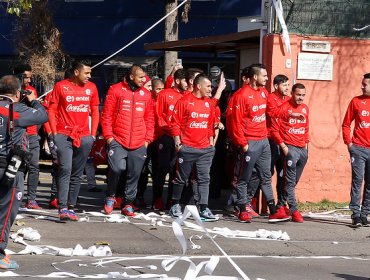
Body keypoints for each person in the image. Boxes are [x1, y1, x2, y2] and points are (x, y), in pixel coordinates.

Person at [226, 63, 290, 223]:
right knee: (243, 178)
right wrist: (243, 143)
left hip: (263, 142)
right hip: (249, 142)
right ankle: (241, 209)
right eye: (265, 76)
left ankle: (273, 210)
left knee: (266, 176)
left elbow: (272, 112)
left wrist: (290, 106)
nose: (267, 78)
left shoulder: (263, 93)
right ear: (255, 77)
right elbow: (235, 121)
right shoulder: (241, 95)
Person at [0, 75, 48, 270]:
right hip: (9, 169)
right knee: (5, 212)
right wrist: (33, 100)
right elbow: (42, 116)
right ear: (18, 93)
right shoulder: (16, 110)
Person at [48, 60, 100, 221]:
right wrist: (55, 133)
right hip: (64, 135)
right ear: (76, 72)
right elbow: (51, 109)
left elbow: (95, 111)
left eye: (90, 73)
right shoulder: (61, 86)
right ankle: (62, 207)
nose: (89, 76)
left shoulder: (91, 88)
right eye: (87, 73)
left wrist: (92, 135)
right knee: (65, 169)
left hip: (84, 137)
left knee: (77, 173)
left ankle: (71, 207)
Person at [101, 65, 154, 217]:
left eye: (144, 77)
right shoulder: (116, 89)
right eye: (141, 77)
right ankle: (111, 196)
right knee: (117, 168)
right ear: (131, 77)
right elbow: (107, 115)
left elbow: (149, 118)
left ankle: (128, 203)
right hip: (118, 139)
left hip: (139, 142)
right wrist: (109, 137)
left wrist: (147, 139)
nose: (143, 80)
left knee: (135, 174)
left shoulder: (146, 94)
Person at [169, 74, 217, 221]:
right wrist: (178, 143)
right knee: (181, 179)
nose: (210, 89)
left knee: (204, 179)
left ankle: (204, 208)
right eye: (208, 86)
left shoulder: (209, 103)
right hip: (187, 147)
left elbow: (210, 124)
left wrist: (211, 143)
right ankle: (175, 205)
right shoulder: (184, 101)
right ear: (198, 86)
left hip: (205, 149)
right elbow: (174, 123)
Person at [271, 83, 309, 223]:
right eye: (298, 95)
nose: (301, 98)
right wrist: (283, 146)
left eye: (303, 95)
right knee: (290, 182)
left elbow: (306, 127)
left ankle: (281, 205)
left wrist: (306, 145)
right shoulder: (284, 108)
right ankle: (294, 210)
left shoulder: (305, 108)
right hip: (290, 148)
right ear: (292, 93)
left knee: (293, 182)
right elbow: (274, 129)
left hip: (302, 150)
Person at [152, 69, 188, 210]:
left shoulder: (188, 96)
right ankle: (157, 199)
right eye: (185, 80)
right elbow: (158, 115)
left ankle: (172, 202)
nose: (188, 83)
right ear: (178, 81)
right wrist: (168, 129)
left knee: (177, 172)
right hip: (166, 138)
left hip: (182, 139)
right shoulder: (165, 94)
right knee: (162, 169)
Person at [342, 73, 370, 227]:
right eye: (362, 83)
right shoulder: (356, 101)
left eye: (365, 84)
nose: (362, 86)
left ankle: (365, 214)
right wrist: (349, 144)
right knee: (357, 181)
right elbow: (346, 124)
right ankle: (356, 214)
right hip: (358, 148)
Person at [13, 64, 42, 209]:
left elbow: (39, 113)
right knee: (18, 166)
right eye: (26, 77)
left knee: (34, 166)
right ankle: (17, 195)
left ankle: (31, 199)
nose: (29, 81)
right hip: (18, 134)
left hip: (32, 133)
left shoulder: (31, 90)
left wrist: (33, 101)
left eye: (31, 77)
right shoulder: (11, 89)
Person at [266, 74, 290, 214]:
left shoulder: (288, 100)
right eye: (284, 85)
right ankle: (260, 204)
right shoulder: (270, 98)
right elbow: (273, 113)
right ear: (276, 86)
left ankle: (281, 204)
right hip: (271, 141)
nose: (287, 88)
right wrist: (288, 106)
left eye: (288, 85)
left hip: (285, 141)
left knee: (283, 174)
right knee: (267, 173)